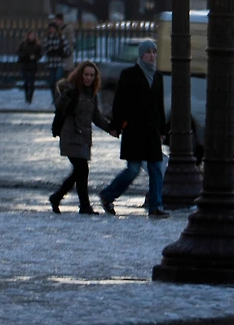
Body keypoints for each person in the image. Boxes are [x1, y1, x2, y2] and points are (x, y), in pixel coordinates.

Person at [99, 39, 169, 217]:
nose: (152, 56)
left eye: (154, 52)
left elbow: (159, 105)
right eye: (148, 52)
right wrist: (117, 125)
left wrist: (162, 130)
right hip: (134, 130)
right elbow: (120, 101)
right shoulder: (129, 74)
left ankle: (156, 206)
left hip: (152, 130)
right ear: (141, 55)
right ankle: (108, 195)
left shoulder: (158, 76)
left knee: (156, 169)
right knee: (133, 169)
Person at [49, 61, 109, 213]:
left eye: (92, 75)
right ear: (80, 75)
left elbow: (96, 116)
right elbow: (59, 107)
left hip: (83, 138)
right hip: (70, 136)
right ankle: (81, 204)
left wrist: (111, 129)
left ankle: (61, 198)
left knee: (80, 171)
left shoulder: (92, 94)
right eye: (86, 75)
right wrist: (64, 96)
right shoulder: (72, 91)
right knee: (81, 169)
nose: (89, 78)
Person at [42, 17, 72, 103]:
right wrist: (50, 51)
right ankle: (54, 97)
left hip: (59, 62)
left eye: (53, 28)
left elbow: (67, 49)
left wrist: (61, 51)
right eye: (50, 28)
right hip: (51, 63)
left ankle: (58, 96)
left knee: (58, 80)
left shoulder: (61, 38)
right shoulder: (47, 38)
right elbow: (44, 49)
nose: (51, 30)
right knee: (52, 81)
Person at [17, 31, 42, 104]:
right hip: (25, 64)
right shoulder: (23, 44)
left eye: (32, 36)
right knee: (26, 82)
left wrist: (35, 57)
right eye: (30, 35)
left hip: (32, 65)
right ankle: (27, 97)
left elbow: (39, 54)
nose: (31, 37)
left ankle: (30, 97)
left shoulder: (37, 45)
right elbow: (19, 52)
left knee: (31, 82)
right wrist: (24, 56)